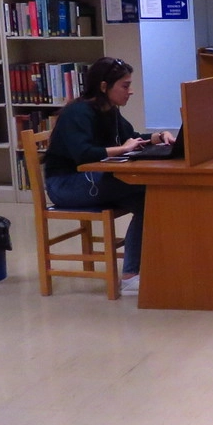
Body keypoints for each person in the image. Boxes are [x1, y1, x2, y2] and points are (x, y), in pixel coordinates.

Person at [42, 57, 175, 294]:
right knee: (149, 189)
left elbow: (131, 137)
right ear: (104, 86)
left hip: (91, 180)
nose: (130, 91)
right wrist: (122, 149)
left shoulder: (110, 111)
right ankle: (133, 275)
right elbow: (83, 154)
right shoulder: (77, 112)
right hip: (65, 185)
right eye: (125, 86)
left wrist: (157, 137)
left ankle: (133, 273)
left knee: (149, 198)